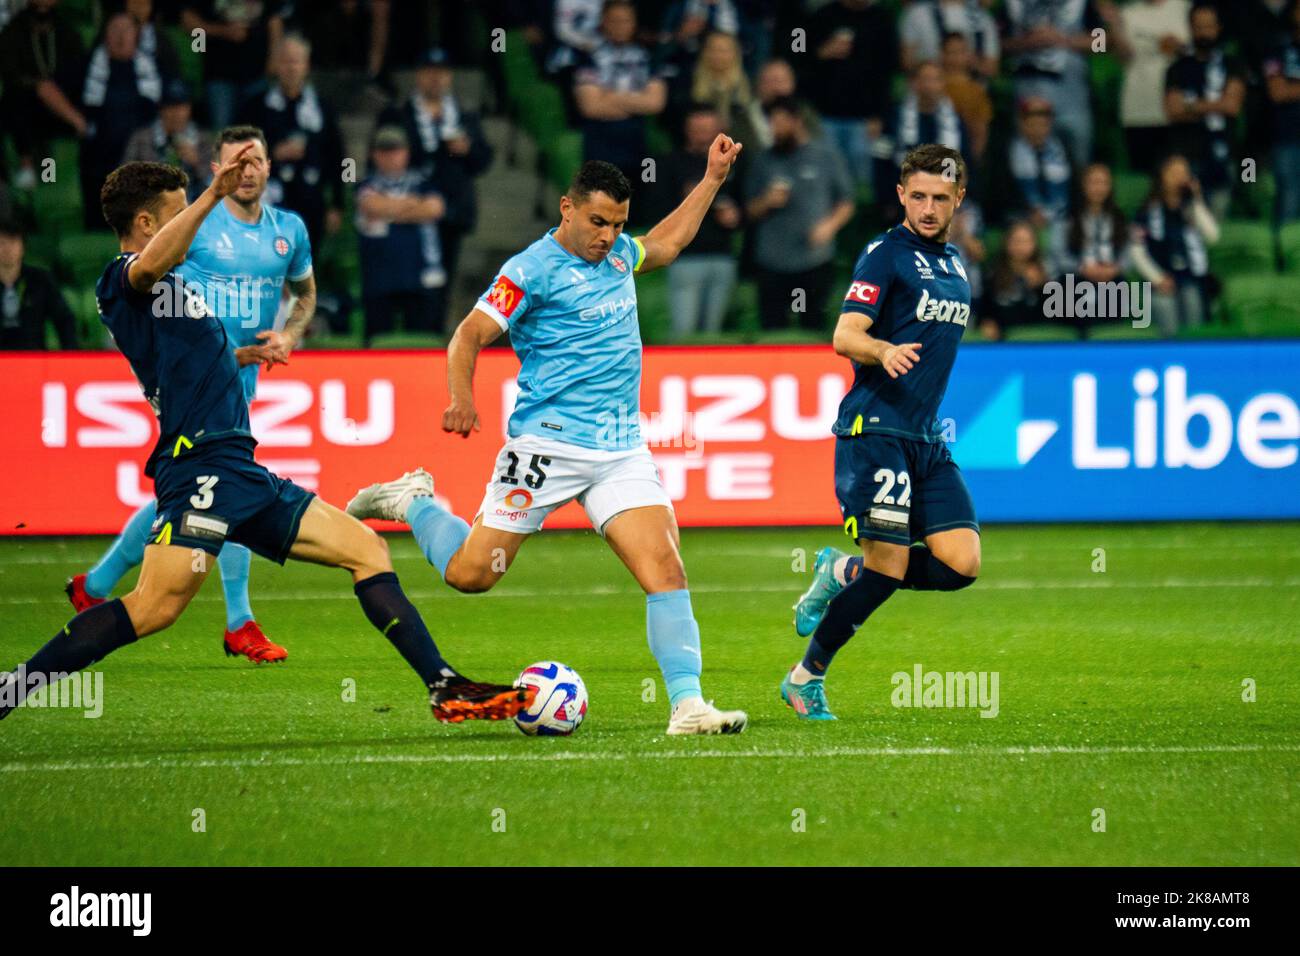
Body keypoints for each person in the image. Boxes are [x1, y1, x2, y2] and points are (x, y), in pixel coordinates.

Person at [1, 155, 530, 724]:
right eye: (179, 214)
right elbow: (154, 265)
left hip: (239, 467)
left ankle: (444, 686)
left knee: (366, 549)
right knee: (153, 608)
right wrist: (210, 195)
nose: (196, 224)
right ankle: (14, 688)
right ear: (148, 224)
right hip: (200, 464)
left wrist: (237, 357)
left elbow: (180, 357)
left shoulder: (168, 288)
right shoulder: (125, 276)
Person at [345, 150, 750, 737]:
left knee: (666, 568)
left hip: (619, 449)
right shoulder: (527, 271)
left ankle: (688, 706)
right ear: (568, 208)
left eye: (617, 224)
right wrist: (462, 398)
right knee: (471, 575)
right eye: (597, 222)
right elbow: (469, 334)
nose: (608, 237)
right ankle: (412, 501)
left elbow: (665, 243)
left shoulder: (617, 257)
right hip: (547, 447)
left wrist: (712, 180)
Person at [66, 126, 317, 665]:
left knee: (187, 503)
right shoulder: (193, 228)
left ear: (271, 166)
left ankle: (96, 582)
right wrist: (208, 199)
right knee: (219, 496)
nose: (246, 171)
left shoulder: (288, 231)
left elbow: (305, 292)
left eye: (256, 161)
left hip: (233, 374)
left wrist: (287, 336)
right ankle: (239, 620)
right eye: (235, 162)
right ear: (218, 168)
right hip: (195, 382)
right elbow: (149, 272)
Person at [782, 144, 981, 720]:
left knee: (960, 564)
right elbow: (845, 335)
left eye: (939, 197)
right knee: (889, 568)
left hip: (926, 439)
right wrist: (882, 349)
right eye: (916, 195)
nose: (927, 207)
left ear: (957, 200)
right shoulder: (884, 254)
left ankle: (839, 570)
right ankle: (805, 677)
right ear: (900, 195)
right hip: (874, 431)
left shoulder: (955, 263)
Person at [744, 96, 855, 331]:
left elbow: (846, 201)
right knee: (772, 330)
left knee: (813, 327)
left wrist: (829, 226)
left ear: (797, 121)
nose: (776, 128)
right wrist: (766, 201)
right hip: (772, 262)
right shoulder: (762, 161)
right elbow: (749, 211)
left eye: (781, 122)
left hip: (814, 260)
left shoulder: (825, 155)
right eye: (772, 123)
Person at [238, 33, 346, 255]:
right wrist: (271, 155)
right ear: (276, 64)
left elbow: (340, 158)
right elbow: (235, 153)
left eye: (296, 61)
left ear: (306, 65)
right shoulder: (255, 107)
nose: (291, 68)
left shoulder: (323, 108)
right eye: (285, 61)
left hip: (311, 204)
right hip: (268, 204)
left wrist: (337, 204)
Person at [355, 125, 457, 343]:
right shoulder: (365, 183)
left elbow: (435, 209)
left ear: (406, 152)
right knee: (376, 339)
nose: (391, 156)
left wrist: (389, 210)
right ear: (374, 154)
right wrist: (411, 205)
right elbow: (369, 206)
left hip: (421, 275)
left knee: (423, 340)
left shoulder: (423, 181)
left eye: (396, 150)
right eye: (384, 151)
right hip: (379, 276)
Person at [659, 104, 743, 338]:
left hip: (721, 256)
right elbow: (655, 210)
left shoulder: (730, 164)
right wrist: (688, 197)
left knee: (712, 336)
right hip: (685, 258)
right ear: (687, 130)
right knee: (683, 333)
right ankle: (678, 374)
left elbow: (745, 209)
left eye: (708, 129)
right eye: (697, 129)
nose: (703, 135)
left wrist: (735, 216)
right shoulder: (671, 163)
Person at [572, 0, 668, 198]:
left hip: (637, 138)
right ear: (604, 22)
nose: (620, 26)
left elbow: (655, 103)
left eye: (625, 21)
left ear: (634, 23)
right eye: (614, 21)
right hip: (600, 138)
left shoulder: (648, 56)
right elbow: (591, 106)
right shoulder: (588, 56)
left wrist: (610, 96)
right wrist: (636, 101)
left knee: (642, 195)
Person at [1164, 2, 1246, 220]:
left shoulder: (1232, 64)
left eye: (1209, 26)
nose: (1204, 32)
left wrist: (1191, 105)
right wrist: (1215, 104)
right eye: (1198, 26)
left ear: (1219, 28)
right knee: (1188, 222)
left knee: (1217, 224)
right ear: (1190, 28)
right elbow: (1173, 110)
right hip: (1188, 157)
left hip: (1223, 154)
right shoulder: (1178, 68)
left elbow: (1232, 106)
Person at [1129, 153, 1220, 334]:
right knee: (1164, 305)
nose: (1180, 176)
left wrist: (1196, 200)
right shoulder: (1146, 212)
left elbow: (1213, 236)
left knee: (1192, 299)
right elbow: (1136, 252)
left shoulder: (1191, 209)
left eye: (1183, 172)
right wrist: (1158, 278)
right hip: (1160, 280)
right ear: (1162, 176)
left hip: (1190, 279)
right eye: (1174, 172)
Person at [1110, 0, 1190, 173]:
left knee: (1176, 174)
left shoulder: (1183, 8)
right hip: (1138, 108)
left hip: (1176, 110)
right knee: (1142, 175)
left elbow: (1201, 52)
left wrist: (1180, 47)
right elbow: (1120, 57)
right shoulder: (1128, 14)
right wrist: (1114, 26)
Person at [122, 78, 212, 200]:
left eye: (182, 107)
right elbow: (123, 180)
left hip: (193, 210)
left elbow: (216, 185)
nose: (177, 114)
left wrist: (196, 162)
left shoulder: (202, 139)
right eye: (171, 107)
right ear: (161, 109)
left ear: (190, 108)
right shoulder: (142, 138)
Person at [0, 215, 77, 349]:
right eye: (2, 243)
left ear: (22, 246)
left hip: (33, 358)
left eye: (13, 242)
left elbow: (64, 319)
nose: (8, 249)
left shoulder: (40, 279)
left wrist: (71, 356)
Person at [980, 219, 1051, 340]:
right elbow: (986, 308)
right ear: (1006, 243)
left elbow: (1050, 316)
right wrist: (986, 321)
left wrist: (1041, 287)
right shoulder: (993, 274)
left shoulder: (1046, 273)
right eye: (1016, 241)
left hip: (1036, 340)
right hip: (1003, 341)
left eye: (1026, 241)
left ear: (1034, 244)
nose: (1021, 247)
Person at [1264, 2, 1300, 223]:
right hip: (1287, 140)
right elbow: (1277, 92)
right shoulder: (1275, 49)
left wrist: (1292, 88)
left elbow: (1287, 90)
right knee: (1289, 202)